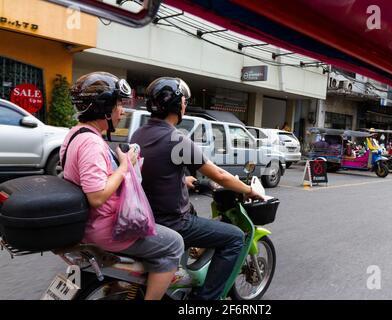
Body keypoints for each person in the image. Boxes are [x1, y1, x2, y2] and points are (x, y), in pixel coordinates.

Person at [131, 77, 265, 300]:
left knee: (192, 208)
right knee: (234, 237)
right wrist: (249, 190)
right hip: (172, 222)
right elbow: (220, 175)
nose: (185, 105)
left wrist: (183, 180)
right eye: (184, 101)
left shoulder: (139, 134)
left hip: (146, 215)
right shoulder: (176, 139)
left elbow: (149, 169)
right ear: (177, 104)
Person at [61, 72, 184, 300]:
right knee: (174, 243)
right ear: (103, 108)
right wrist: (125, 166)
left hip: (92, 223)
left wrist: (121, 164)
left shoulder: (76, 134)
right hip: (106, 227)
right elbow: (97, 196)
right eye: (118, 104)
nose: (122, 110)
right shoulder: (90, 142)